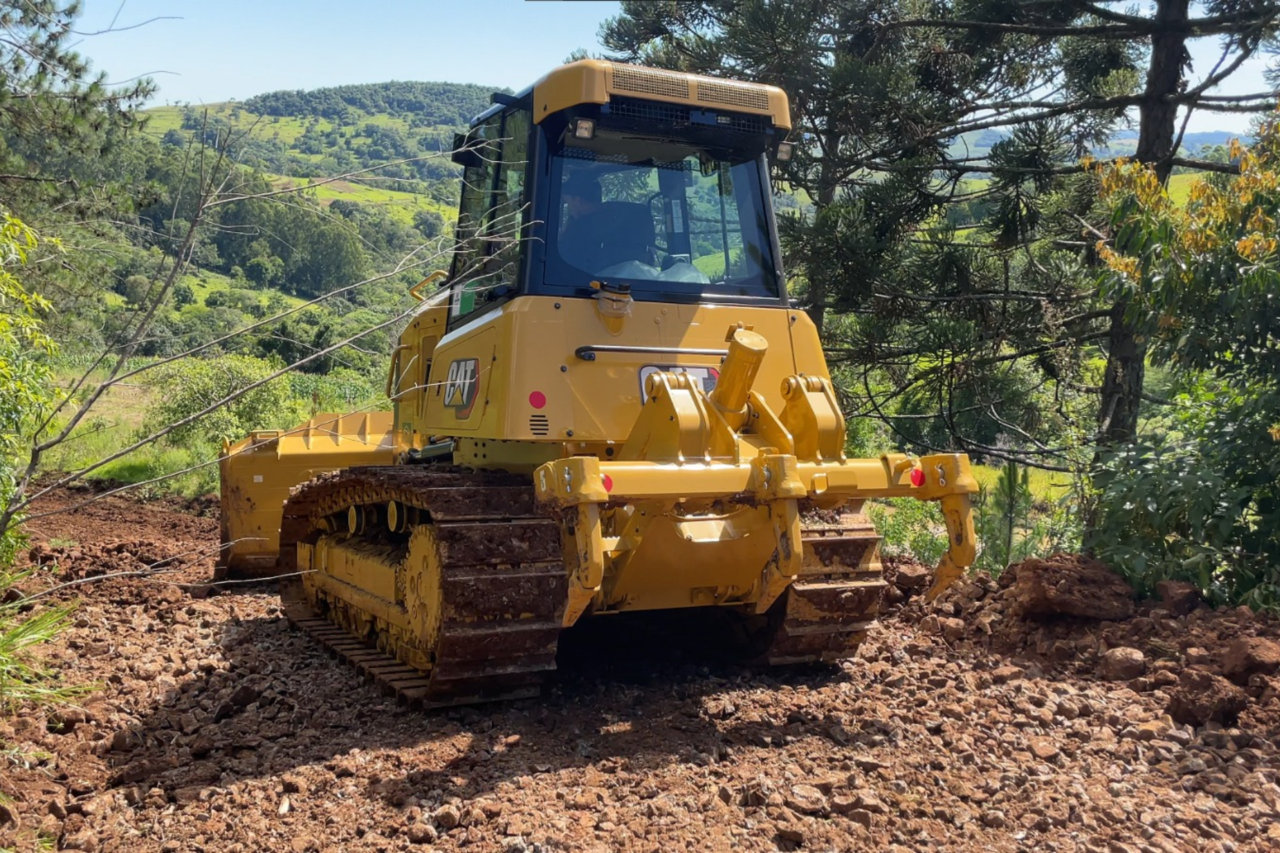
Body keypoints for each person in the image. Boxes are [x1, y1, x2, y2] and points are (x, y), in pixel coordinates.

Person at [558, 172, 606, 273]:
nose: (569, 209)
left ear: (578, 200)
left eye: (568, 203)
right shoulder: (610, 222)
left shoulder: (579, 231)